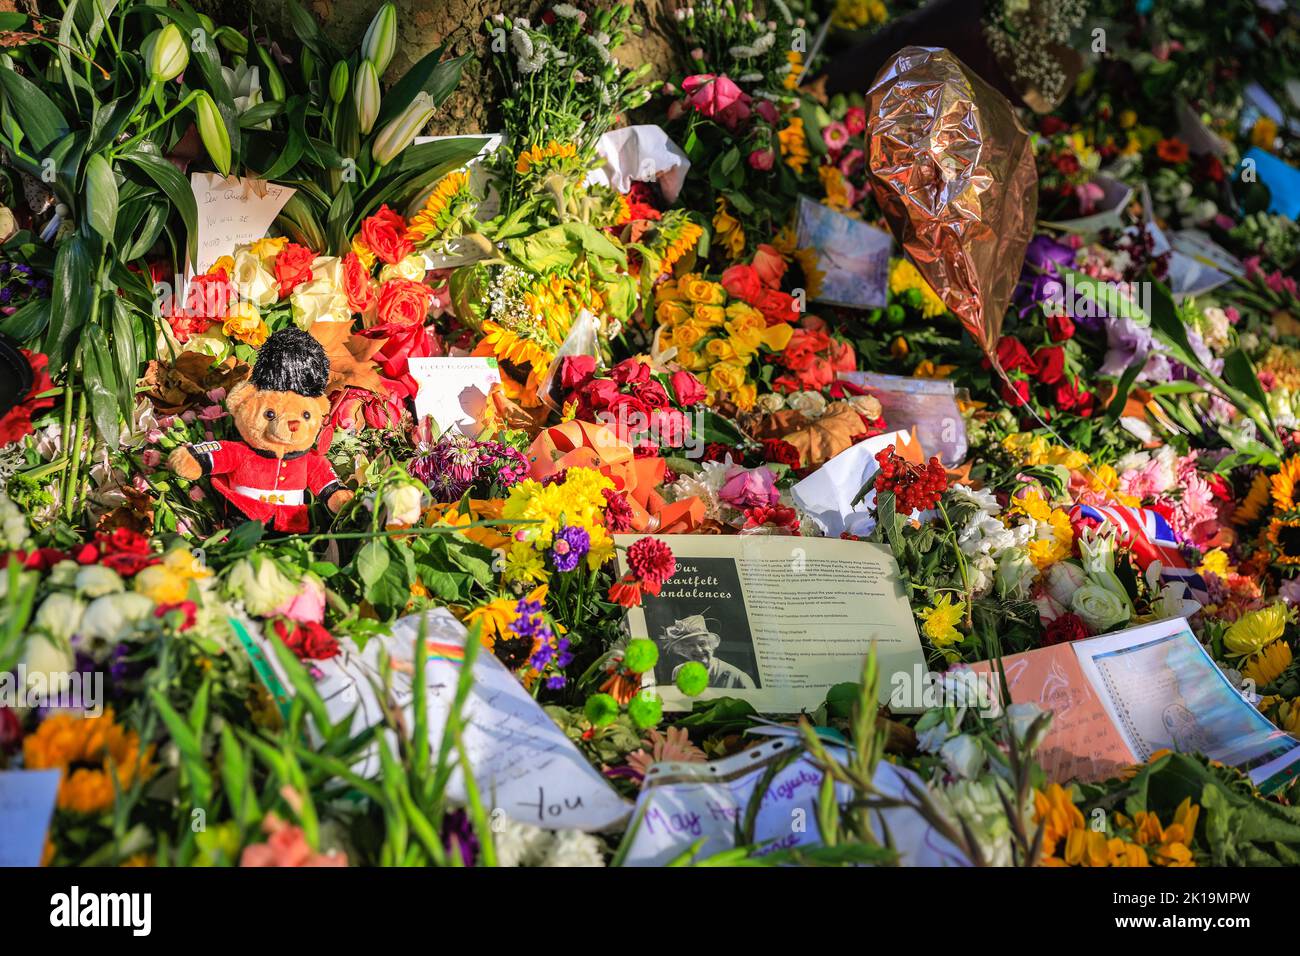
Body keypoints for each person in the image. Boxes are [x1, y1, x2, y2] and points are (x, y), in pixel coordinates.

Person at [659, 615, 755, 690]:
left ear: (711, 644)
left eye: (702, 643)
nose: (698, 650)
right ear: (684, 650)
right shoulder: (678, 672)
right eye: (691, 645)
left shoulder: (737, 677)